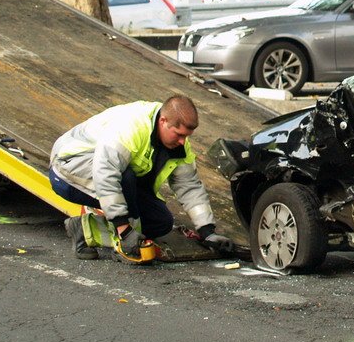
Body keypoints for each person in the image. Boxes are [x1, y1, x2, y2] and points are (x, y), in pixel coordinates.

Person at [48, 95, 232, 262]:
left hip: (112, 177)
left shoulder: (178, 143)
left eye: (187, 136)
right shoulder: (131, 129)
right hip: (67, 170)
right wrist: (124, 229)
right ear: (163, 121)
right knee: (123, 177)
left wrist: (207, 232)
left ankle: (84, 229)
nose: (183, 141)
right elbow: (106, 176)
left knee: (160, 222)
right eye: (180, 134)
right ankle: (124, 246)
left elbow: (189, 186)